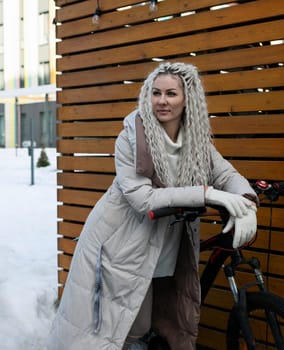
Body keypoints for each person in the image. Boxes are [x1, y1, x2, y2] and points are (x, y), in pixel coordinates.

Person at [47, 62, 258, 350]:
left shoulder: (195, 142)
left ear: (187, 99)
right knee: (118, 328)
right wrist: (208, 194)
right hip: (120, 244)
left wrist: (247, 203)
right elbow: (142, 198)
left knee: (143, 322)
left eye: (171, 93)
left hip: (161, 242)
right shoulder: (131, 138)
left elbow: (227, 175)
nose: (162, 101)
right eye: (155, 93)